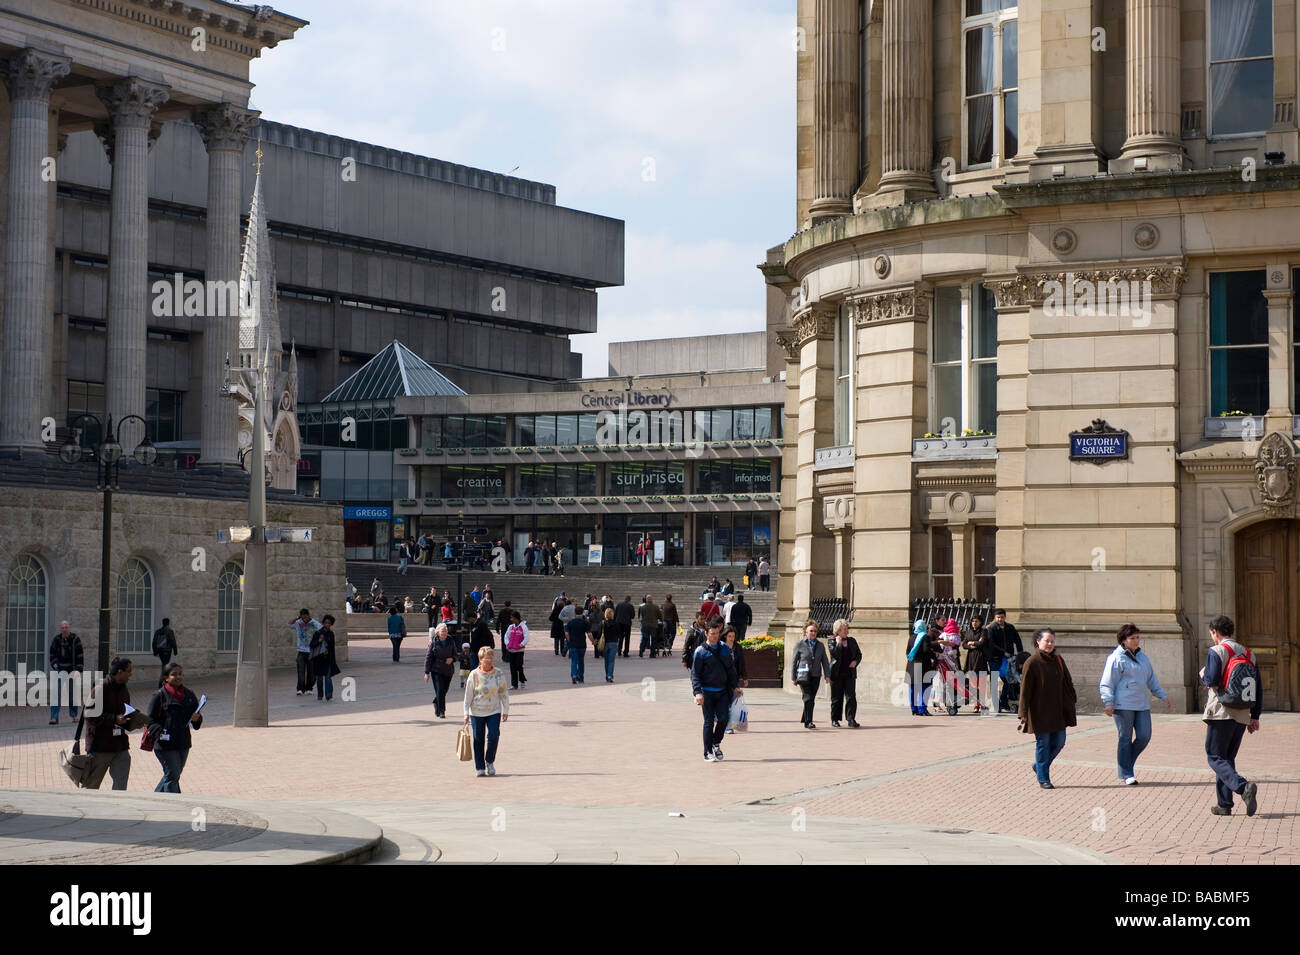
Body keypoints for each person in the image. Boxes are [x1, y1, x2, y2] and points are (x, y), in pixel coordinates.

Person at [1200, 615, 1262, 816]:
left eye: (1211, 634)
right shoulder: (1249, 654)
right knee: (1227, 758)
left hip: (1222, 711)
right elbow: (1258, 688)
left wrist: (1203, 675)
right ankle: (1224, 804)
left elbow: (1212, 679)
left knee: (1214, 756)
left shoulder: (1217, 651)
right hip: (1242, 713)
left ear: (1215, 632)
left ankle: (1243, 788)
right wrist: (1255, 716)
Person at [1099, 623, 1171, 785]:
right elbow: (1107, 682)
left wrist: (1162, 695)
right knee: (1124, 738)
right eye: (1132, 638)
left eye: (1138, 637)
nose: (1137, 641)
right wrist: (1108, 702)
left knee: (1144, 736)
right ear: (1123, 640)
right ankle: (1127, 773)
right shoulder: (1116, 658)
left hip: (1141, 704)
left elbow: (1151, 679)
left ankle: (1125, 764)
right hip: (1122, 705)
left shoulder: (1142, 657)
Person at [1018, 629, 1077, 789]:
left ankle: (1038, 767)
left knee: (1059, 742)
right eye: (1047, 641)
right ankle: (1043, 778)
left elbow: (1067, 681)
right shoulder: (1032, 662)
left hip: (1058, 710)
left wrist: (1071, 699)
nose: (1050, 644)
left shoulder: (1058, 659)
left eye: (1052, 641)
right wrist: (1022, 712)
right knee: (1043, 744)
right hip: (1039, 711)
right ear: (1038, 641)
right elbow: (1025, 690)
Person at [146, 663, 202, 794]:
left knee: (173, 774)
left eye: (180, 674)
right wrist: (160, 731)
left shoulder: (189, 695)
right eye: (174, 674)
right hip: (165, 744)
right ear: (166, 678)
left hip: (183, 742)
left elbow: (197, 719)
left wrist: (197, 718)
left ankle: (154, 800)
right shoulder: (159, 696)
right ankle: (175, 806)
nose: (178, 677)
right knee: (172, 775)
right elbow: (149, 720)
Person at [82, 656, 134, 790]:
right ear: (120, 672)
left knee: (121, 787)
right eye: (128, 671)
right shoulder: (101, 688)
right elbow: (88, 714)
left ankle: (117, 808)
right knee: (90, 786)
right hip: (100, 747)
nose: (131, 674)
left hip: (120, 746)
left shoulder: (124, 689)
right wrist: (114, 719)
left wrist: (133, 719)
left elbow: (124, 711)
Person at [690, 618, 737, 761]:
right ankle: (707, 752)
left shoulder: (724, 648)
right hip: (706, 692)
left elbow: (731, 670)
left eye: (717, 633)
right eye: (712, 633)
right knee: (709, 722)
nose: (715, 636)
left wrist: (735, 686)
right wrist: (697, 692)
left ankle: (716, 743)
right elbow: (695, 674)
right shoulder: (700, 651)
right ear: (706, 633)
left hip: (722, 691)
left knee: (723, 719)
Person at [463, 647, 510, 777]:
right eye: (486, 658)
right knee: (478, 738)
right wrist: (466, 712)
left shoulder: (499, 673)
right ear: (480, 660)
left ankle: (489, 761)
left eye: (491, 658)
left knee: (494, 736)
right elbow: (468, 695)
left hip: (494, 710)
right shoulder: (474, 674)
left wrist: (506, 709)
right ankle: (480, 767)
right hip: (476, 711)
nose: (489, 660)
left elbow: (503, 692)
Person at [790, 619, 831, 728]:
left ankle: (805, 717)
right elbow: (794, 662)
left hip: (816, 676)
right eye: (811, 631)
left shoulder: (820, 645)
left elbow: (825, 661)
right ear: (806, 632)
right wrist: (793, 677)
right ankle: (809, 722)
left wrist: (827, 675)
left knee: (811, 698)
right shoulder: (799, 644)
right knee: (807, 697)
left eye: (815, 631)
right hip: (803, 676)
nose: (813, 633)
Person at [986, 609, 1023, 713]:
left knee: (1008, 680)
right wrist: (1003, 652)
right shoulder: (991, 628)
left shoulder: (1010, 627)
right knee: (994, 681)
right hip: (995, 658)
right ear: (995, 618)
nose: (1000, 619)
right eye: (998, 617)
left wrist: (1020, 654)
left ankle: (1004, 702)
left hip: (1008, 658)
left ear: (1005, 617)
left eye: (1002, 617)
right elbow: (992, 644)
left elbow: (1018, 640)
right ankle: (995, 704)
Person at [48, 621, 84, 724]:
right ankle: (54, 717)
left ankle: (74, 716)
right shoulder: (56, 639)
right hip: (59, 670)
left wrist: (78, 669)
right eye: (62, 627)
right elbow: (52, 653)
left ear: (69, 628)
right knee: (56, 694)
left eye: (66, 627)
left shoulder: (75, 639)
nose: (64, 629)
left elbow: (80, 655)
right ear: (60, 629)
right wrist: (54, 664)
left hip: (72, 670)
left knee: (73, 694)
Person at [828, 618, 861, 728]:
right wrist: (838, 644)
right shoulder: (831, 640)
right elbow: (835, 654)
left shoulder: (852, 640)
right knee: (836, 698)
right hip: (836, 674)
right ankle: (835, 719)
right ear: (837, 631)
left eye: (847, 628)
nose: (846, 631)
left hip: (849, 674)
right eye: (844, 629)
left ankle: (851, 719)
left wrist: (855, 661)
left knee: (851, 697)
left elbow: (859, 654)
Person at [423, 623, 458, 718]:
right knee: (440, 690)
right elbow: (428, 657)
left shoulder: (451, 641)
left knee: (444, 690)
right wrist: (427, 672)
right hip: (436, 670)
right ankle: (442, 711)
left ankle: (436, 701)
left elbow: (456, 655)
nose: (445, 633)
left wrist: (452, 659)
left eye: (446, 631)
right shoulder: (434, 642)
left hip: (448, 670)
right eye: (443, 631)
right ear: (438, 632)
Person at [961, 615, 992, 712]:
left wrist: (971, 643)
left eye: (976, 621)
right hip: (971, 659)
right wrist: (971, 645)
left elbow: (982, 643)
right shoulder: (968, 632)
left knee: (981, 684)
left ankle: (982, 704)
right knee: (973, 684)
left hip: (980, 659)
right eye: (973, 621)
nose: (974, 623)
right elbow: (964, 645)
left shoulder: (984, 631)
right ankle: (976, 705)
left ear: (980, 622)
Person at [722, 625, 747, 733]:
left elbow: (742, 663)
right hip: (722, 678)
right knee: (725, 702)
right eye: (729, 636)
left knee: (733, 702)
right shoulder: (721, 647)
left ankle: (729, 724)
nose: (731, 638)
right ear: (725, 636)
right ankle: (725, 724)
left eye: (733, 636)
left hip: (734, 677)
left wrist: (745, 677)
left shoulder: (737, 647)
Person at [290, 609, 321, 696]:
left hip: (311, 651)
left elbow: (321, 629)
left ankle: (309, 688)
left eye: (306, 618)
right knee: (300, 671)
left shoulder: (314, 623)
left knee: (311, 672)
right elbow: (290, 623)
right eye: (303, 618)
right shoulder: (298, 622)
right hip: (301, 651)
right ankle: (300, 689)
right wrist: (297, 618)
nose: (304, 620)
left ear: (308, 616)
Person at [310, 615, 340, 701]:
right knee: (319, 679)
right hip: (319, 659)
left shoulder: (331, 634)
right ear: (323, 623)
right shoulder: (318, 633)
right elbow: (312, 645)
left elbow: (332, 648)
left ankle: (329, 695)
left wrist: (333, 661)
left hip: (328, 659)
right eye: (326, 623)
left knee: (328, 678)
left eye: (329, 623)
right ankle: (320, 695)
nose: (327, 624)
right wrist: (319, 641)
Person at [905, 619, 932, 716]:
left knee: (912, 688)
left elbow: (907, 652)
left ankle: (914, 709)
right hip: (922, 666)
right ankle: (922, 709)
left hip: (911, 666)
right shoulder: (925, 637)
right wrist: (934, 655)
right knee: (924, 688)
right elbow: (926, 650)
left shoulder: (911, 637)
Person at [503, 611, 529, 689]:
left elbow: (526, 637)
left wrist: (521, 644)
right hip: (511, 650)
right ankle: (514, 684)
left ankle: (522, 680)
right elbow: (506, 636)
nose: (511, 619)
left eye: (512, 618)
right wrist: (507, 643)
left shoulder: (523, 627)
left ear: (516, 618)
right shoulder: (511, 627)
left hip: (519, 651)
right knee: (512, 667)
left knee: (519, 666)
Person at [565, 606, 590, 684]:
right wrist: (593, 641)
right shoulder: (585, 622)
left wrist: (569, 640)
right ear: (582, 612)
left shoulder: (570, 622)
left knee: (574, 661)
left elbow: (566, 633)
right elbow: (589, 634)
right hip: (582, 644)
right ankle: (580, 678)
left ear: (575, 613)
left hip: (573, 644)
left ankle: (574, 675)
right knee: (581, 662)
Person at [151, 618, 178, 688]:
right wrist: (175, 650)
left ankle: (163, 682)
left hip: (160, 651)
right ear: (168, 623)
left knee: (164, 665)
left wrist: (155, 651)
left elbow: (154, 642)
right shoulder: (170, 631)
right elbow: (173, 641)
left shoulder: (158, 631)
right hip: (167, 651)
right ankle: (162, 683)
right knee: (165, 666)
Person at [598, 608, 618, 682]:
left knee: (606, 661)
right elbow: (619, 633)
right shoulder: (616, 623)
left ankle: (607, 675)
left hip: (605, 643)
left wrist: (596, 640)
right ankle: (610, 675)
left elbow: (599, 634)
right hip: (613, 643)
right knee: (611, 661)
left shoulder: (603, 623)